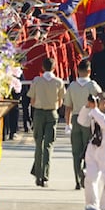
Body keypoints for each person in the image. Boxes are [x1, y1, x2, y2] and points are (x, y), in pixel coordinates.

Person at [63, 58, 103, 190]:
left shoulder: (72, 86)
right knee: (88, 150)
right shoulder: (92, 86)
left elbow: (67, 106)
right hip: (89, 119)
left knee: (76, 151)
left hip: (75, 118)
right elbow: (100, 102)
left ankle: (77, 179)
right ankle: (85, 174)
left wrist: (67, 123)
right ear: (89, 71)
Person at [29, 57, 66, 187]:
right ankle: (45, 175)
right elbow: (61, 102)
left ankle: (38, 173)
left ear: (43, 68)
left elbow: (32, 100)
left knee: (39, 143)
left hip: (39, 113)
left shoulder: (37, 81)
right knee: (48, 145)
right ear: (54, 68)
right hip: (52, 113)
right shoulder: (58, 82)